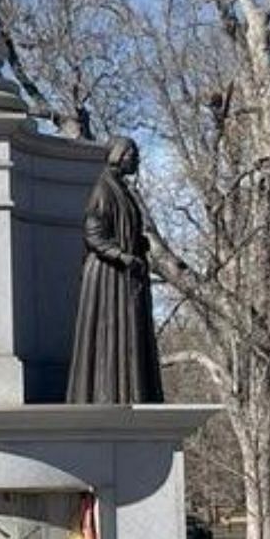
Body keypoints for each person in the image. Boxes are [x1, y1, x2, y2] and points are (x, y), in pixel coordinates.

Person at [67, 136, 165, 404]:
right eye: (132, 153)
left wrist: (138, 244)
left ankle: (130, 390)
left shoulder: (121, 188)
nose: (136, 159)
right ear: (118, 155)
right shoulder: (104, 189)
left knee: (129, 334)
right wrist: (122, 256)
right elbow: (93, 235)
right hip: (108, 276)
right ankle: (112, 392)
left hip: (124, 274)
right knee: (110, 335)